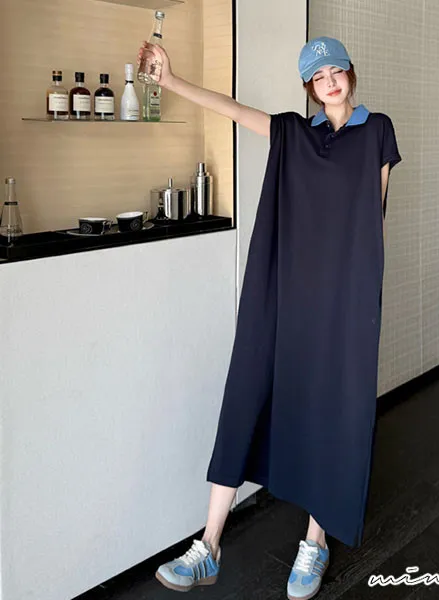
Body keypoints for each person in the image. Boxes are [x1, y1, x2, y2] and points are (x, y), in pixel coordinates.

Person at [139, 35, 401, 600]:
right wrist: (171, 82)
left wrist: (366, 300)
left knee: (331, 407)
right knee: (246, 392)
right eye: (318, 76)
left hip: (342, 298)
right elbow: (232, 109)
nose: (329, 81)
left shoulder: (377, 129)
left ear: (350, 73)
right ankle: (208, 546)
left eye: (336, 70)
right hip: (281, 288)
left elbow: (376, 219)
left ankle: (315, 541)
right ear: (309, 87)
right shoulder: (294, 133)